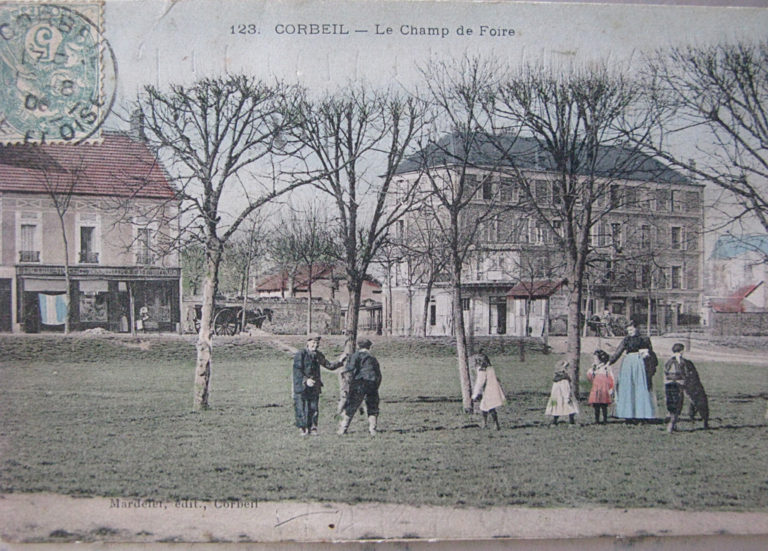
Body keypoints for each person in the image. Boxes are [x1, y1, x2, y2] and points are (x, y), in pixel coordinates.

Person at [292, 334, 346, 436]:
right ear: (307, 343)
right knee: (301, 407)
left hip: (314, 386)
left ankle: (313, 428)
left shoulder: (318, 354)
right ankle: (302, 429)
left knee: (314, 408)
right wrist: (306, 380)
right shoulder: (301, 354)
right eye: (313, 343)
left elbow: (328, 365)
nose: (315, 345)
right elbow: (297, 370)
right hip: (301, 386)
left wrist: (339, 362)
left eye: (317, 343)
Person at [608, 322, 656, 422]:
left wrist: (648, 357)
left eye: (631, 330)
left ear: (636, 329)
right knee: (627, 388)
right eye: (628, 330)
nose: (630, 332)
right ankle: (628, 414)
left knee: (640, 388)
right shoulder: (626, 340)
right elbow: (618, 352)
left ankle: (642, 414)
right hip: (628, 364)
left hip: (640, 364)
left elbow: (651, 352)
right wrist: (609, 362)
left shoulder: (644, 339)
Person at [337, 338, 382, 436]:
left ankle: (343, 429)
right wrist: (376, 386)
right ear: (369, 347)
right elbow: (378, 374)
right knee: (372, 406)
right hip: (372, 384)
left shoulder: (355, 356)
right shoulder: (372, 358)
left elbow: (349, 370)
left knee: (351, 406)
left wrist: (347, 385)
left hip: (359, 383)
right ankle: (373, 429)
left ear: (358, 346)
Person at [470, 349, 506, 430]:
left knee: (489, 407)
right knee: (485, 406)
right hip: (493, 389)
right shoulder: (490, 368)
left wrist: (475, 394)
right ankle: (487, 423)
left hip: (488, 390)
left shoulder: (482, 369)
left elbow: (480, 381)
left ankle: (492, 424)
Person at [676, 344, 709, 429]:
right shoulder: (686, 362)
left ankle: (692, 416)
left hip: (683, 383)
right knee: (699, 401)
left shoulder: (671, 362)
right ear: (682, 351)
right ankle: (703, 420)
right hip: (690, 383)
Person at [545, 360, 579, 425]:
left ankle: (555, 421)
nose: (568, 370)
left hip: (555, 397)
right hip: (563, 396)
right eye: (566, 368)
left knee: (555, 408)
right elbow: (566, 389)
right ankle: (571, 421)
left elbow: (554, 390)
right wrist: (567, 397)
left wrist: (553, 399)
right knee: (570, 408)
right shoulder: (564, 379)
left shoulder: (556, 379)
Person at [663, 343, 687, 433]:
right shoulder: (682, 361)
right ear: (681, 351)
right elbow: (685, 372)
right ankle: (671, 424)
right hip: (678, 383)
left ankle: (672, 420)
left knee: (671, 402)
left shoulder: (668, 360)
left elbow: (665, 371)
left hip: (668, 383)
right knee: (678, 404)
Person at [586, 349, 614, 425]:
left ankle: (605, 419)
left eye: (596, 359)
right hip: (596, 388)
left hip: (604, 389)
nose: (594, 360)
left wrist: (611, 388)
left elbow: (611, 378)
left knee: (604, 405)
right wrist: (592, 370)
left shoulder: (606, 368)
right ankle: (597, 419)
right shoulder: (594, 368)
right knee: (596, 405)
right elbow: (589, 377)